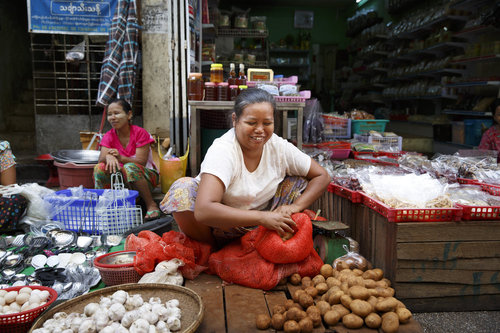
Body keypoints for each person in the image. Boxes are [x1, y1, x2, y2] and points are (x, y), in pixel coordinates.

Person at [160, 88, 330, 247]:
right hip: (220, 228)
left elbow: (321, 176)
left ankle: (262, 243)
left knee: (299, 180)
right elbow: (204, 210)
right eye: (251, 122)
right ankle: (213, 250)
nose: (260, 130)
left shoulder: (278, 146)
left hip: (265, 225)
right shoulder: (223, 149)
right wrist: (262, 218)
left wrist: (294, 207)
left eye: (267, 123)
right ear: (235, 120)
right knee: (182, 190)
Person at [94, 98, 161, 220]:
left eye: (117, 113)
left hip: (146, 177)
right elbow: (101, 159)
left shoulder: (140, 133)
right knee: (99, 168)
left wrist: (120, 158)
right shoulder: (109, 136)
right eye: (109, 114)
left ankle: (151, 205)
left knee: (129, 167)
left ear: (129, 114)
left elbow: (141, 162)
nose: (112, 117)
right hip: (122, 179)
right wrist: (108, 156)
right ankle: (105, 207)